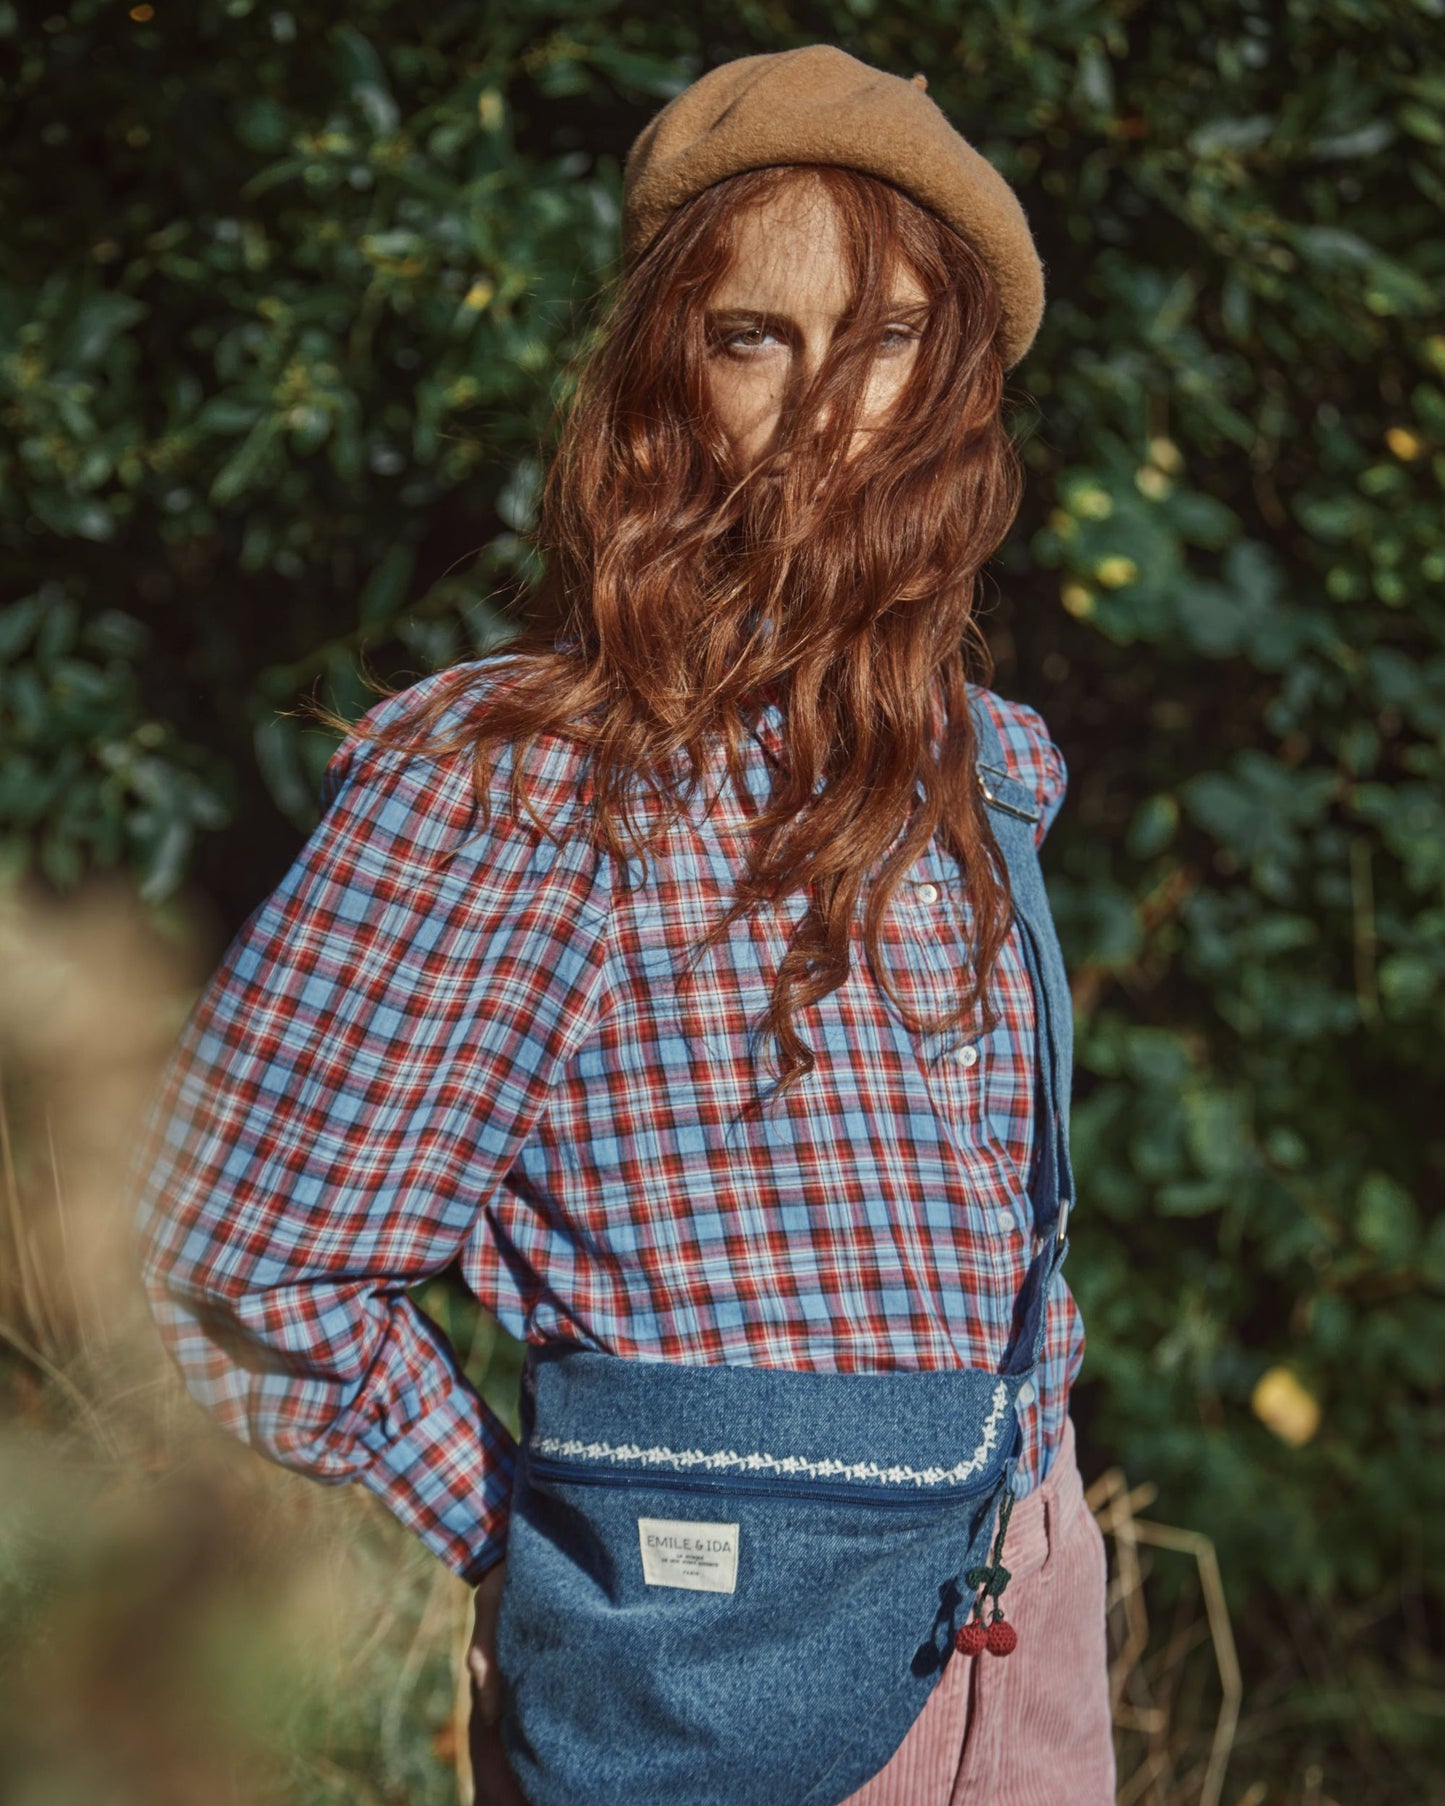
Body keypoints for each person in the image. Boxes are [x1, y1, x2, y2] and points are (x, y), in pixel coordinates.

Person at [128, 42, 1114, 1806]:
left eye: (888, 341)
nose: (829, 408)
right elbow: (241, 1253)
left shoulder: (993, 776)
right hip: (702, 1672)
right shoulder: (519, 786)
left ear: (961, 386)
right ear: (672, 376)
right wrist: (515, 1535)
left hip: (1025, 1611)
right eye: (758, 338)